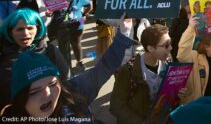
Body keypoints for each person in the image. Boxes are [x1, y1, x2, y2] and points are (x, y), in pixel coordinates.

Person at [0, 14, 133, 122]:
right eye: (34, 91)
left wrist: (124, 33)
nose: (47, 94)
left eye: (52, 84)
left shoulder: (73, 91)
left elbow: (103, 68)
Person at [110, 24, 186, 124]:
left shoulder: (167, 61)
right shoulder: (129, 71)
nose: (171, 48)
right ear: (150, 48)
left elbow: (168, 95)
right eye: (166, 45)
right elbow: (116, 106)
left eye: (170, 43)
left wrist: (177, 94)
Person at [0, 8, 69, 110]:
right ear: (10, 32)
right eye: (20, 29)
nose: (26, 33)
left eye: (30, 28)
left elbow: (66, 80)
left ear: (38, 29)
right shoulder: (2, 56)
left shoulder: (50, 51)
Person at [53, 0, 92, 71]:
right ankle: (66, 66)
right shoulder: (59, 1)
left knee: (76, 44)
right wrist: (49, 13)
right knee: (63, 47)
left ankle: (80, 62)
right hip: (63, 27)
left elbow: (90, 5)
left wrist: (84, 14)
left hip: (78, 26)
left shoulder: (79, 0)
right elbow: (52, 12)